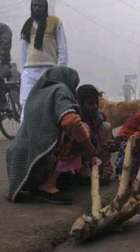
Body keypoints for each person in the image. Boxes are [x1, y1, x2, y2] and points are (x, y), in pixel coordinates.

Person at [7, 66, 99, 205]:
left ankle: (48, 182)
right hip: (40, 157)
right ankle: (48, 186)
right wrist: (90, 149)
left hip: (21, 165)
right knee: (78, 130)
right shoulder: (61, 90)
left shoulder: (37, 93)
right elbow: (70, 121)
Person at [20, 0, 68, 121]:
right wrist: (23, 71)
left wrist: (60, 69)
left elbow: (62, 49)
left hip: (49, 71)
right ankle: (24, 136)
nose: (37, 8)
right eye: (34, 6)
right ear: (31, 7)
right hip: (29, 71)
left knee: (49, 105)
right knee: (25, 103)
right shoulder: (27, 25)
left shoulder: (55, 22)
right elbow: (23, 52)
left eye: (40, 6)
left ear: (45, 7)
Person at [77, 84, 114, 184]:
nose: (95, 106)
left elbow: (111, 144)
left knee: (106, 126)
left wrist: (112, 145)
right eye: (90, 103)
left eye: (96, 103)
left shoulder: (100, 116)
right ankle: (84, 172)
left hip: (98, 154)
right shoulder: (76, 118)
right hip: (82, 156)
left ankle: (104, 169)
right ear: (81, 104)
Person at [0, 22, 12, 111]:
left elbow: (5, 45)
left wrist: (2, 56)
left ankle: (3, 103)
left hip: (4, 64)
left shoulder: (4, 29)